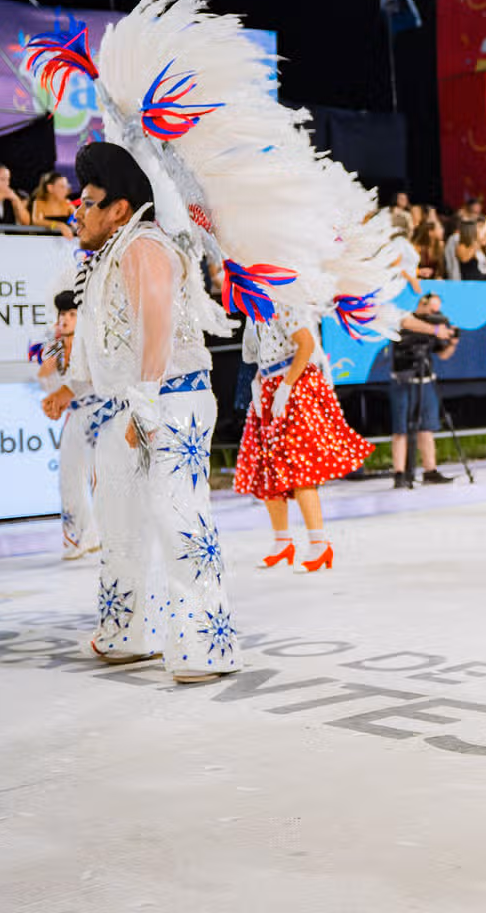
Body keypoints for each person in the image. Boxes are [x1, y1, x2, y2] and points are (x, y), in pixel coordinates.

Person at [39, 141, 236, 682]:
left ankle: (205, 645)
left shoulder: (145, 245)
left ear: (119, 209)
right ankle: (127, 633)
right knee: (119, 520)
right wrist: (74, 389)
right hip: (134, 402)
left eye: (89, 200)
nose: (77, 209)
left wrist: (145, 406)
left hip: (170, 399)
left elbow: (157, 326)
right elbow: (107, 342)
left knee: (179, 517)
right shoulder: (111, 252)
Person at [234, 306, 370, 572]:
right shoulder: (254, 314)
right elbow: (259, 355)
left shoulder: (282, 304)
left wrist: (286, 386)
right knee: (267, 467)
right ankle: (282, 540)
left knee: (299, 468)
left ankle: (319, 543)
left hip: (293, 386)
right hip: (269, 386)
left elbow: (305, 344)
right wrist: (260, 381)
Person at [36, 287, 102, 560]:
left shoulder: (93, 343)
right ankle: (76, 538)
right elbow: (43, 375)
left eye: (72, 313)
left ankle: (105, 535)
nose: (65, 319)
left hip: (100, 411)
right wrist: (56, 347)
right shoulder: (55, 345)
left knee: (102, 477)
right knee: (69, 476)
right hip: (74, 414)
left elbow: (91, 379)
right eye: (62, 313)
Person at [390, 293, 459, 486]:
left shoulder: (432, 327)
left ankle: (430, 470)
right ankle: (400, 472)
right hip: (404, 379)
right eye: (431, 309)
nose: (433, 314)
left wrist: (452, 342)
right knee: (401, 429)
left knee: (427, 427)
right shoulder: (408, 320)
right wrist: (435, 329)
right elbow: (407, 324)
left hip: (425, 378)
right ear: (422, 304)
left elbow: (442, 354)